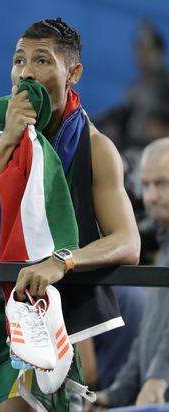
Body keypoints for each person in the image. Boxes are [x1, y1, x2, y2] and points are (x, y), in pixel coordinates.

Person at [0, 18, 140, 411]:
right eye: (19, 60)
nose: (25, 72)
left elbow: (128, 241)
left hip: (33, 318)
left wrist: (63, 260)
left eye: (41, 60)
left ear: (73, 73)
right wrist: (7, 140)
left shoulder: (95, 148)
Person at [89, 138, 169, 409]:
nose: (151, 197)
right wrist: (115, 394)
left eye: (161, 183)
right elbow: (148, 335)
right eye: (146, 185)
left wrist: (159, 377)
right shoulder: (164, 248)